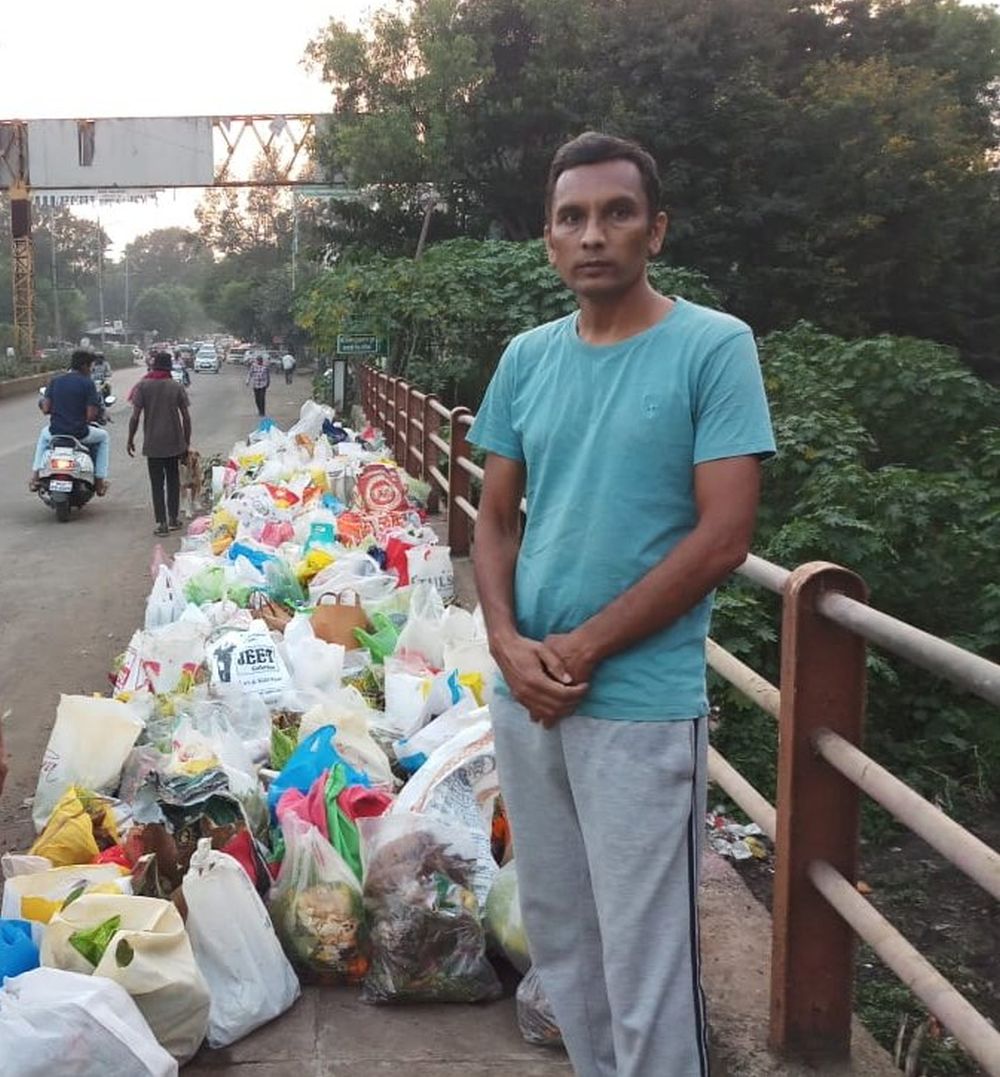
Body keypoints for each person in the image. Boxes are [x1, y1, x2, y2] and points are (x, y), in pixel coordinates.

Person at [468, 132, 776, 1077]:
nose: (592, 233)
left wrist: (583, 649)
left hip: (638, 705)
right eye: (572, 217)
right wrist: (508, 644)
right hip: (529, 696)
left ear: (656, 230)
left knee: (648, 965)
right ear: (549, 240)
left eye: (616, 212)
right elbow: (493, 522)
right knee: (564, 943)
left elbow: (723, 535)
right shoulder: (526, 358)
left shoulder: (713, 348)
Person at [29, 349, 110, 495]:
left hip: (56, 432)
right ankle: (99, 482)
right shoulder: (88, 384)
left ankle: (35, 477)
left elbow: (46, 408)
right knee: (104, 437)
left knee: (43, 436)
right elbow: (91, 416)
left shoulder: (56, 380)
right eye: (91, 366)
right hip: (80, 433)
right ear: (85, 366)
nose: (92, 369)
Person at [127, 350, 192, 536]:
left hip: (153, 444)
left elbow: (135, 416)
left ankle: (162, 524)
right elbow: (186, 418)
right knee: (173, 480)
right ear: (169, 366)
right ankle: (173, 518)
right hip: (174, 443)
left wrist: (130, 438)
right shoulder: (176, 386)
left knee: (157, 484)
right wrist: (186, 443)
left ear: (154, 365)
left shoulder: (143, 386)